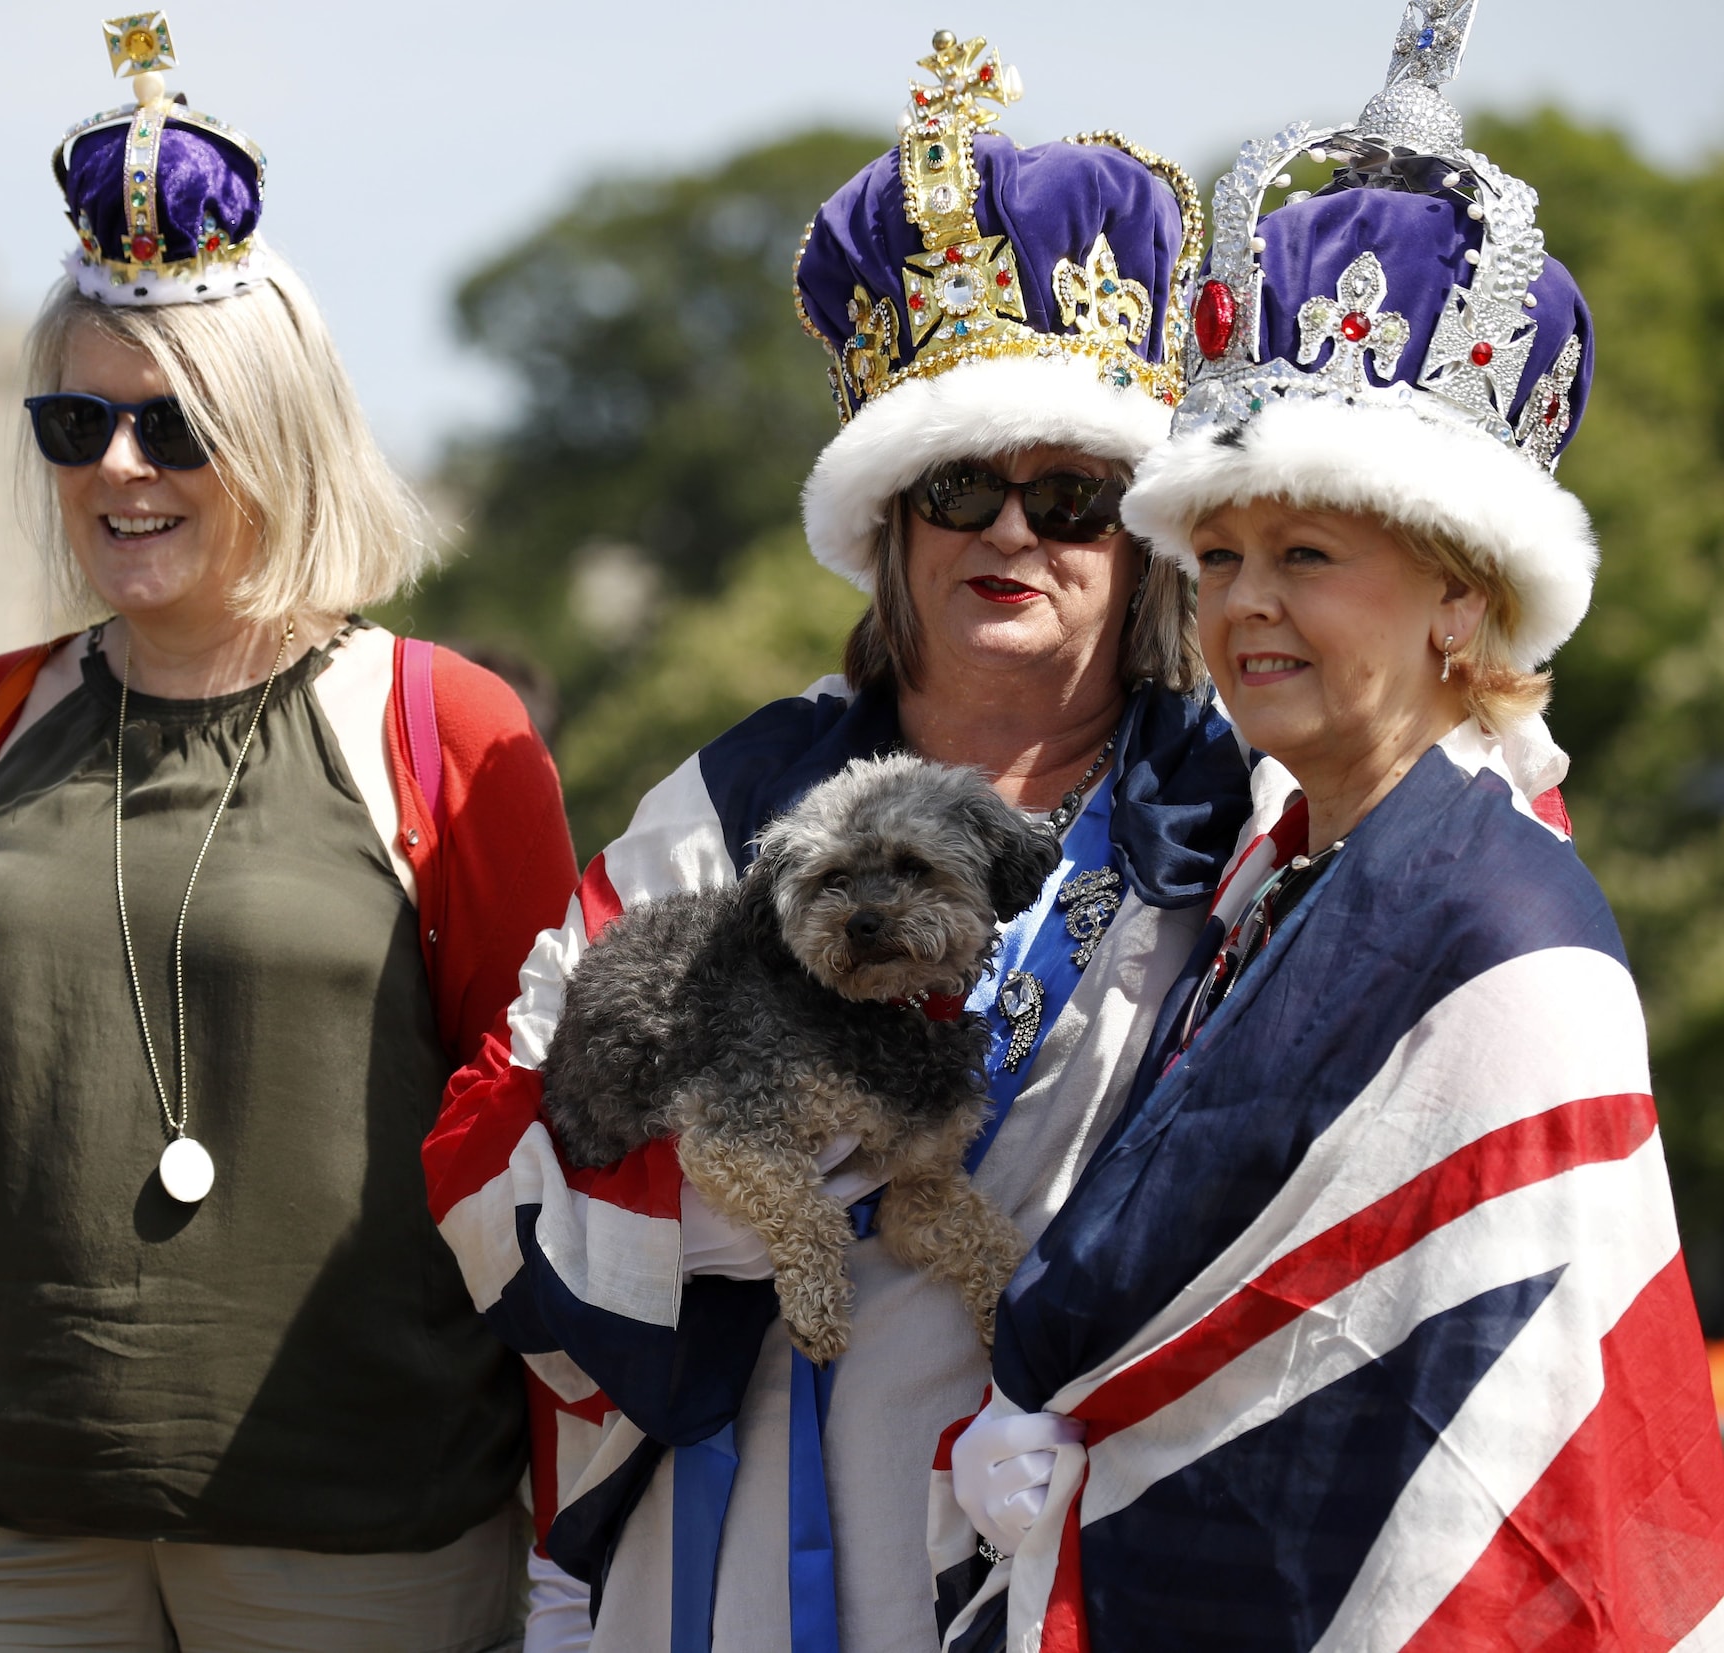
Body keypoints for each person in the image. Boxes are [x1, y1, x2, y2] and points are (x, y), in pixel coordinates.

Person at [0, 19, 578, 1653]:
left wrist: (573, 1542)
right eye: (73, 426)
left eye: (172, 424)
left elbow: (554, 1158)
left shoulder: (446, 728)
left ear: (275, 431)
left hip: (362, 1537)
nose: (118, 468)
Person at [422, 28, 1253, 1653]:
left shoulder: (1241, 820)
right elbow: (485, 1141)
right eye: (959, 486)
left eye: (1072, 497)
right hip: (761, 1546)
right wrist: (745, 1175)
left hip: (1126, 1542)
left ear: (1139, 538)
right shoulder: (740, 806)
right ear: (890, 523)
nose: (1013, 531)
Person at [939, 15, 1724, 1647]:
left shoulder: (1515, 938)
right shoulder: (1264, 869)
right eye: (1219, 557)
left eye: (1307, 553)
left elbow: (1514, 1483)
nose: (1244, 607)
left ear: (1462, 589)